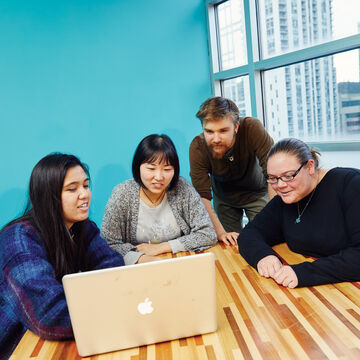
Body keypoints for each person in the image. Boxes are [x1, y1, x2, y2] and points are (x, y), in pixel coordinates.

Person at [0, 154, 124, 359]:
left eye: (85, 185)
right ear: (49, 195)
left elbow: (112, 268)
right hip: (16, 345)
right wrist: (116, 305)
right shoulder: (18, 240)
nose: (84, 194)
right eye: (72, 189)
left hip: (46, 337)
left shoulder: (81, 228)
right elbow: (51, 313)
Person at [237, 138, 360, 288]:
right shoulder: (286, 198)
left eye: (289, 176)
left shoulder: (351, 185)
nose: (281, 185)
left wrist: (303, 272)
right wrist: (263, 256)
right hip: (322, 291)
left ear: (309, 167)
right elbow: (250, 233)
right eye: (273, 178)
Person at [101, 134, 217, 265]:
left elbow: (208, 233)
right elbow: (107, 244)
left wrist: (161, 247)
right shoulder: (122, 194)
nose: (159, 177)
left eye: (167, 169)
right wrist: (139, 258)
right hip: (139, 267)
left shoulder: (182, 188)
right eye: (151, 168)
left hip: (179, 263)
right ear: (138, 166)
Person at [189, 96, 275, 246]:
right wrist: (220, 233)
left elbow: (273, 172)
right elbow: (202, 197)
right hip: (225, 198)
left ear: (236, 127)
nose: (215, 138)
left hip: (256, 193)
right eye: (209, 131)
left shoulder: (252, 127)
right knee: (229, 243)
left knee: (268, 236)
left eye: (223, 131)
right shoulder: (198, 147)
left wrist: (276, 218)